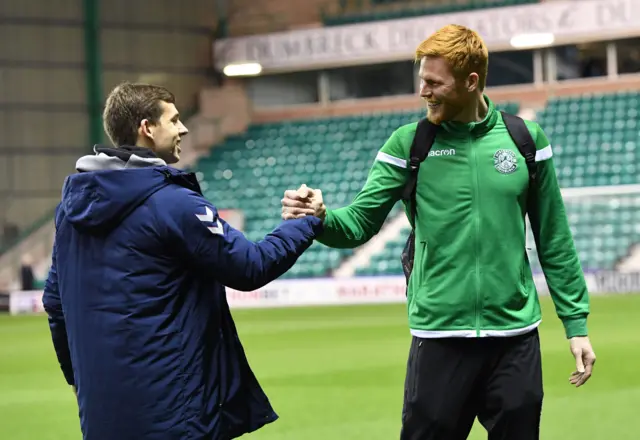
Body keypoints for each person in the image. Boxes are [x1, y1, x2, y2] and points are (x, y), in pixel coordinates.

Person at [281, 24, 596, 440]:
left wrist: (576, 325)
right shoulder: (410, 145)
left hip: (514, 338)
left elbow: (554, 238)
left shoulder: (524, 140)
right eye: (422, 81)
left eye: (434, 82)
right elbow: (358, 222)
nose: (424, 91)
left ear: (471, 82)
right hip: (439, 337)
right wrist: (319, 217)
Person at [42, 82, 324, 440]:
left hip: (101, 416)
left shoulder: (70, 213)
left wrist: (77, 378)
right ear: (147, 128)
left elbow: (55, 303)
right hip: (174, 415)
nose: (184, 128)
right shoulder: (172, 203)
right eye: (173, 120)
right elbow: (250, 266)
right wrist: (304, 222)